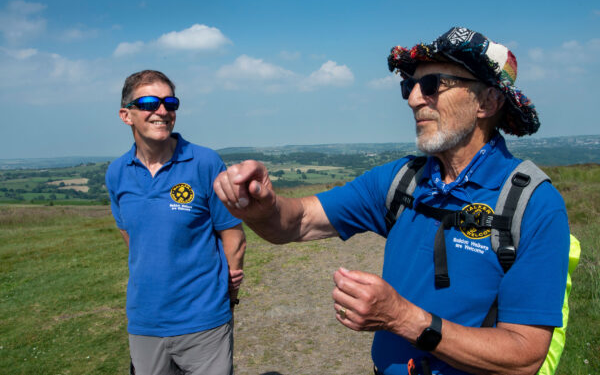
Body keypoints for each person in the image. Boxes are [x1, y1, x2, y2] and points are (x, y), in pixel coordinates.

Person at [213, 27, 570, 375]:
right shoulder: (402, 180)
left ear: (488, 101)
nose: (415, 99)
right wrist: (262, 207)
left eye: (432, 85)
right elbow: (298, 221)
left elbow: (523, 357)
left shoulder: (532, 203)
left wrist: (402, 318)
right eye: (409, 86)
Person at [105, 70, 246, 375]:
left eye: (170, 102)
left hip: (203, 320)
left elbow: (233, 235)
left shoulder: (205, 163)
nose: (162, 111)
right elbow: (131, 237)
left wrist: (229, 294)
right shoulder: (117, 173)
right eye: (149, 103)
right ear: (126, 115)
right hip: (144, 322)